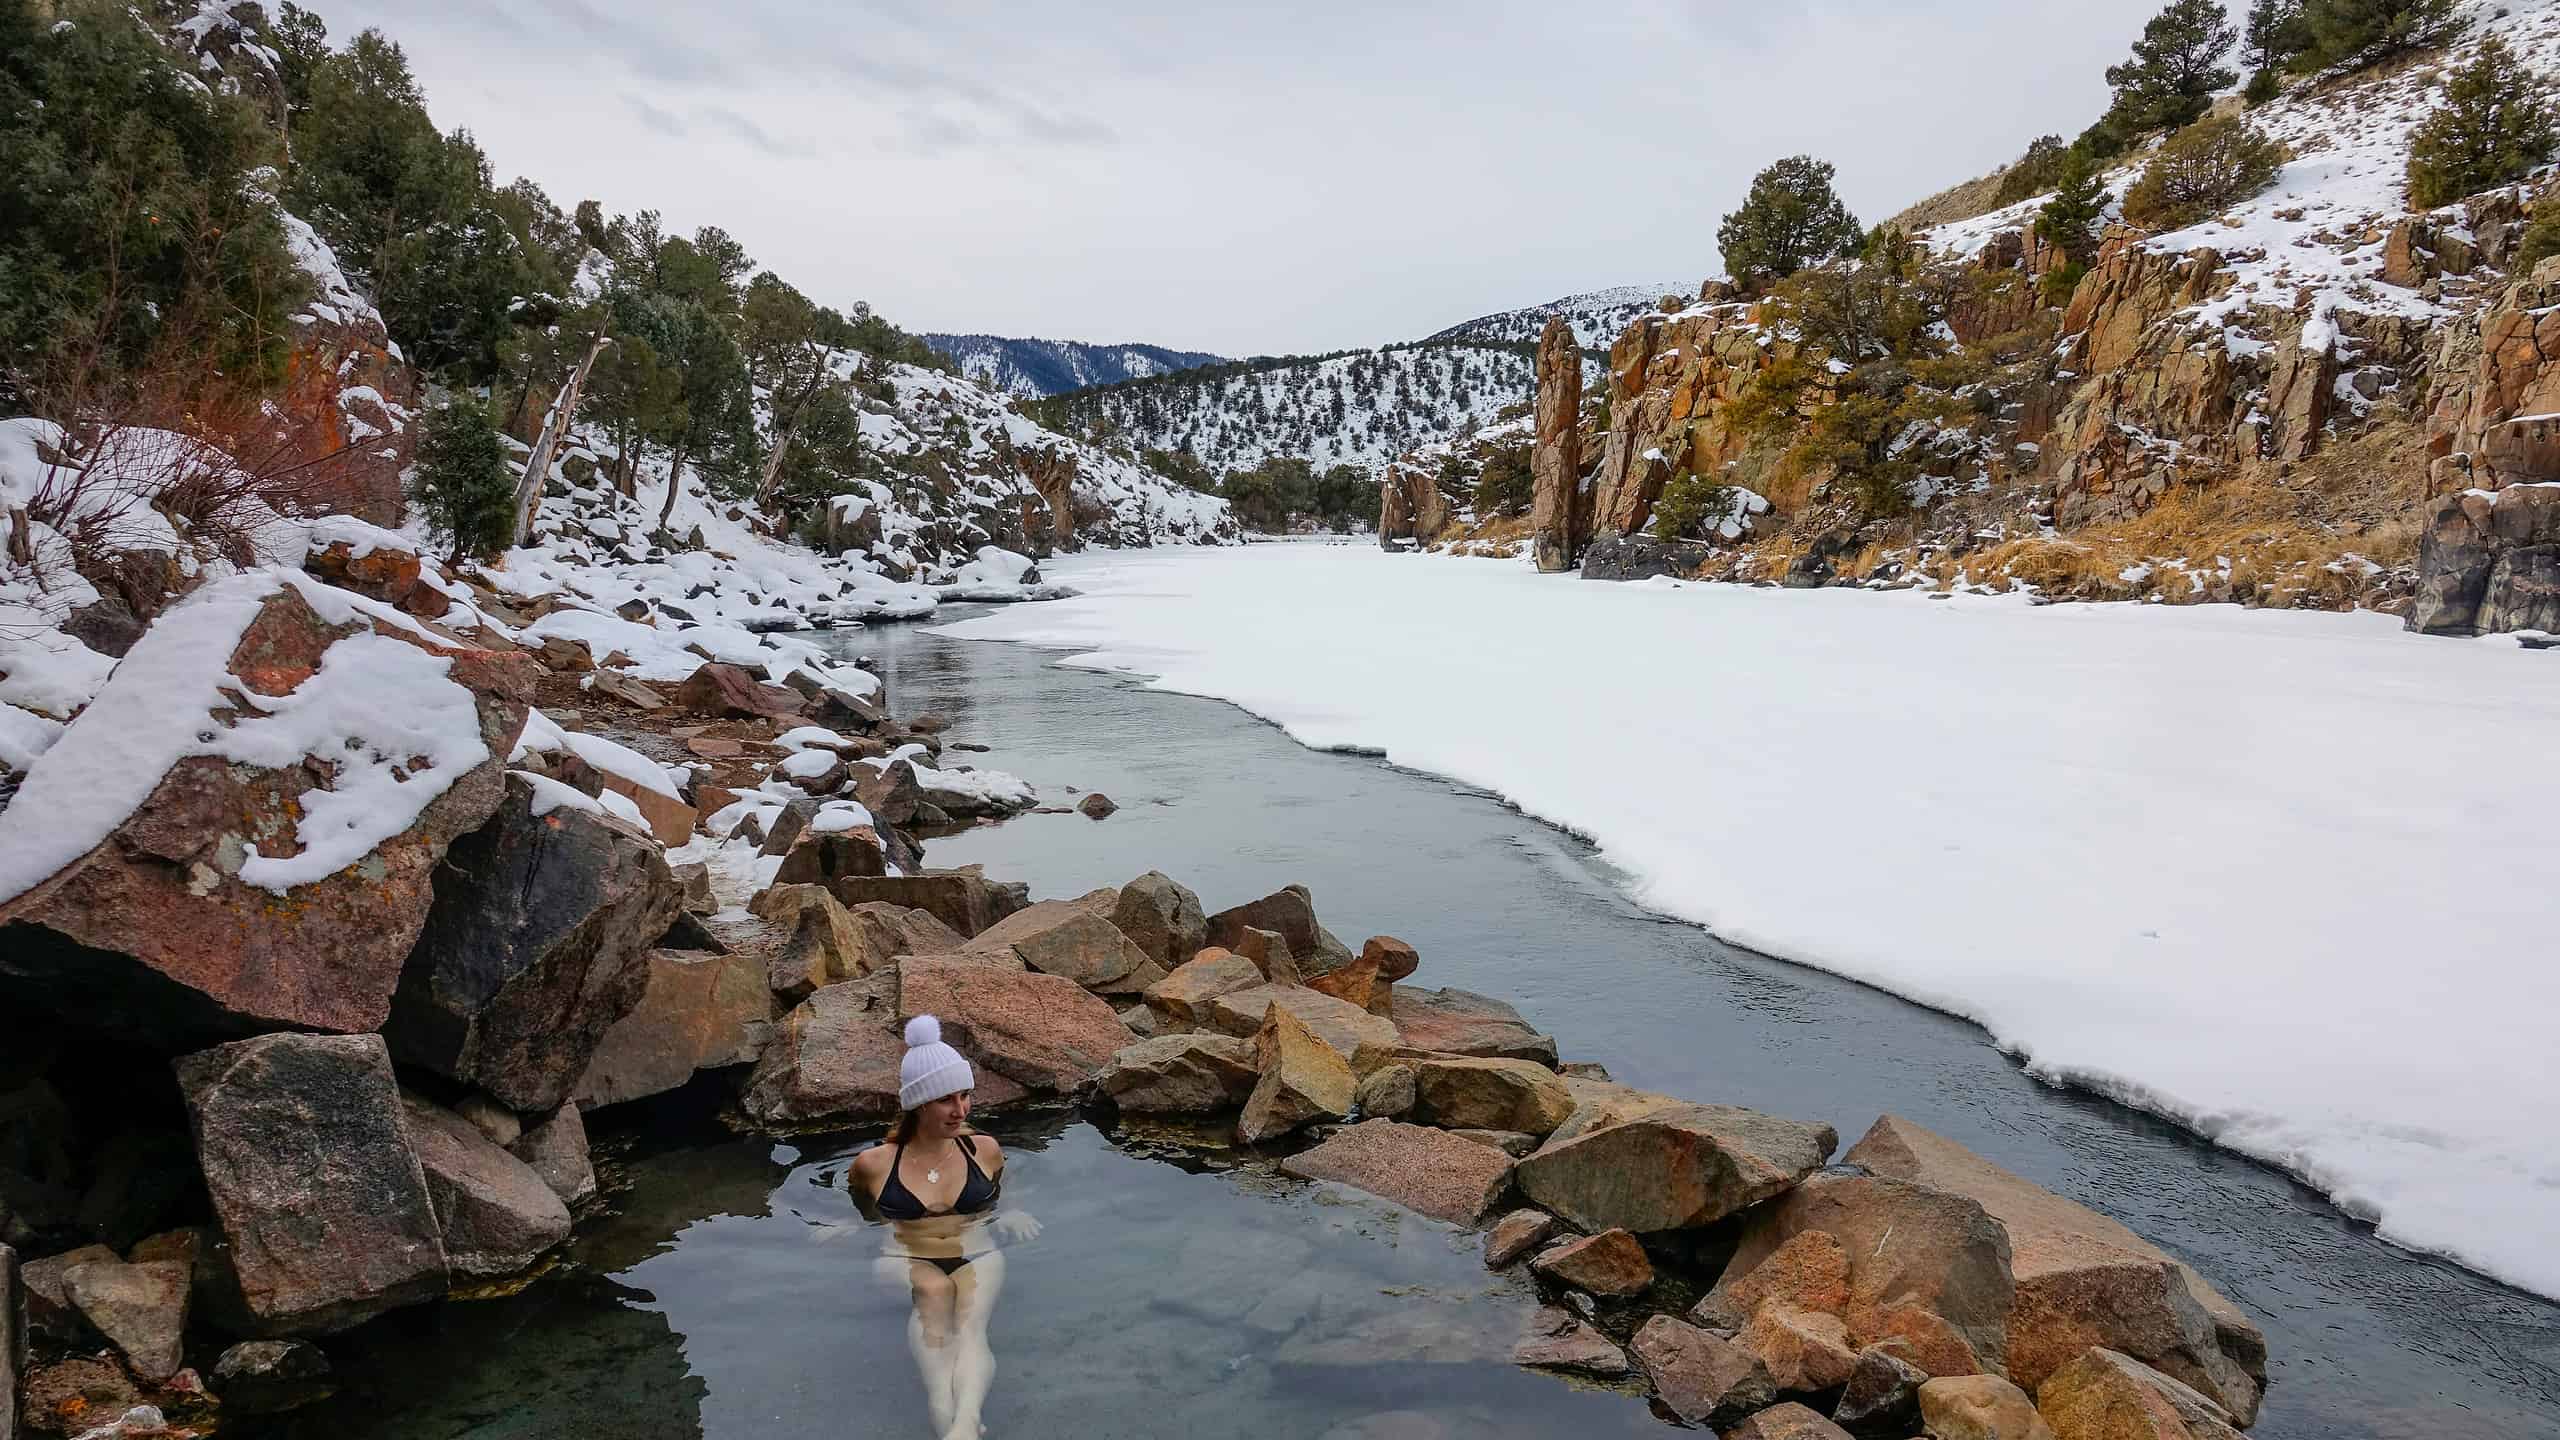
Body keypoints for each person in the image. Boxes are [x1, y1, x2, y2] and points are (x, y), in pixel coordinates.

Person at [851, 1015, 1038, 1440]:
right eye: (946, 1100)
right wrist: (836, 1225)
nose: (961, 1109)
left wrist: (1010, 1210)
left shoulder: (984, 1150)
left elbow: (1008, 1187)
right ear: (919, 1103)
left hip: (977, 1250)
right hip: (905, 1255)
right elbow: (855, 1203)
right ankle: (943, 1406)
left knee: (970, 1326)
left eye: (965, 1095)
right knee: (934, 1295)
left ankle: (965, 1420)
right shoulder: (874, 1164)